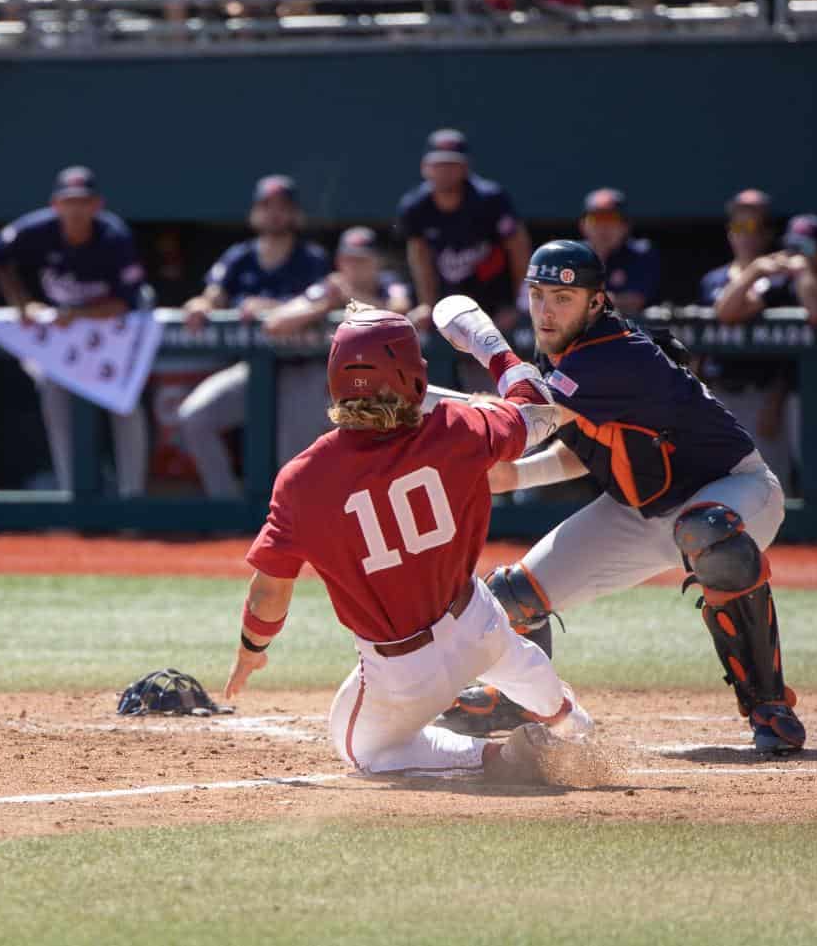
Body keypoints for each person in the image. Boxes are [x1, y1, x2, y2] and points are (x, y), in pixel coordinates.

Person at [435, 240, 806, 755]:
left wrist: (481, 410)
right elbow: (586, 445)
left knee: (707, 533)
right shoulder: (560, 351)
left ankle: (770, 705)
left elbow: (533, 418)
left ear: (595, 302)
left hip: (732, 491)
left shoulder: (616, 353)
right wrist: (514, 478)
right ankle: (520, 699)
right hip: (642, 509)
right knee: (510, 601)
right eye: (538, 295)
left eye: (563, 298)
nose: (547, 310)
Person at [223, 306, 593, 777]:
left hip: (402, 672)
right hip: (478, 623)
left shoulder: (302, 479)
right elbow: (536, 409)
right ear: (412, 375)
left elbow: (269, 591)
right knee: (524, 667)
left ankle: (494, 758)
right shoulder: (460, 427)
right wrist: (491, 350)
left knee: (362, 751)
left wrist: (251, 652)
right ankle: (573, 728)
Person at [0, 166, 152, 497]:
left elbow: (128, 302)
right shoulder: (39, 229)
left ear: (97, 205)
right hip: (65, 334)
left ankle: (132, 502)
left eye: (84, 201)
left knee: (126, 405)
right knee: (54, 398)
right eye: (68, 202)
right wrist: (21, 301)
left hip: (112, 332)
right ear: (55, 205)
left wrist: (77, 314)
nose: (76, 210)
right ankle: (71, 499)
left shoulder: (114, 237)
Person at [177, 175, 332, 498]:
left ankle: (296, 532)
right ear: (255, 213)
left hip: (301, 369)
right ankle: (227, 506)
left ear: (295, 214)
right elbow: (213, 296)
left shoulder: (312, 259)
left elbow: (323, 302)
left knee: (292, 461)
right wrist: (200, 306)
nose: (275, 214)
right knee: (195, 418)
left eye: (282, 207)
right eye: (267, 206)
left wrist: (269, 307)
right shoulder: (239, 257)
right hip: (253, 370)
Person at [708, 213, 817, 503]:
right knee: (809, 479)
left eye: (806, 248)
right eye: (792, 248)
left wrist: (804, 273)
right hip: (804, 397)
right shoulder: (780, 286)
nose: (797, 256)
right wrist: (756, 272)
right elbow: (726, 312)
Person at [697, 189, 793, 485]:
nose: (745, 235)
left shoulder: (779, 276)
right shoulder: (714, 279)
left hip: (763, 394)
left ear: (767, 234)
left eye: (753, 227)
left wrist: (775, 402)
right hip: (720, 394)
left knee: (771, 486)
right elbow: (703, 342)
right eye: (739, 227)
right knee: (717, 485)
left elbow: (730, 311)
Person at [395, 128, 531, 335]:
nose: (445, 171)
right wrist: (428, 305)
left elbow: (519, 250)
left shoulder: (490, 200)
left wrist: (516, 305)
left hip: (494, 301)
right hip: (447, 302)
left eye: (452, 164)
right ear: (425, 167)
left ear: (465, 167)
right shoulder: (415, 207)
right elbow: (419, 257)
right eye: (438, 164)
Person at [259, 227, 412, 336]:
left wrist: (351, 295)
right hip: (325, 367)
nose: (354, 266)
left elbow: (400, 310)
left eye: (361, 260)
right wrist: (323, 307)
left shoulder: (388, 281)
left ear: (377, 262)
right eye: (348, 259)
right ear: (339, 261)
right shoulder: (330, 287)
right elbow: (273, 324)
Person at [577, 187, 662, 315]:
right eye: (597, 219)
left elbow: (633, 301)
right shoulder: (572, 254)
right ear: (583, 225)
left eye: (611, 219)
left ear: (625, 226)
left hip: (629, 330)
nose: (603, 227)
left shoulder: (641, 253)